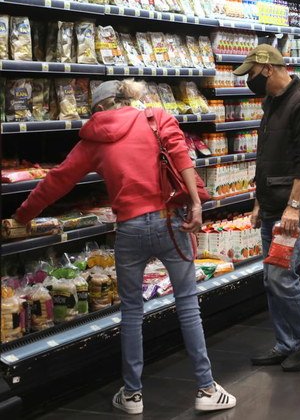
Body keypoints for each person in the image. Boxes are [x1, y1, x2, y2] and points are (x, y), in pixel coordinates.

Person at [13, 80, 236, 414]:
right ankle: (205, 388)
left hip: (129, 229)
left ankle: (132, 395)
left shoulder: (91, 140)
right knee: (188, 304)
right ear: (126, 99)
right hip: (168, 220)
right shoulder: (156, 117)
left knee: (131, 311)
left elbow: (57, 179)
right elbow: (180, 156)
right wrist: (195, 202)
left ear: (99, 109)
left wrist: (23, 215)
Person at [233, 44, 300, 371]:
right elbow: (267, 158)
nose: (249, 79)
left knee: (280, 276)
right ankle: (286, 343)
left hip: (293, 211)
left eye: (251, 73)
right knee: (270, 279)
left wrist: (293, 207)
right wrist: (260, 201)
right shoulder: (272, 103)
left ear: (268, 68)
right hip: (273, 206)